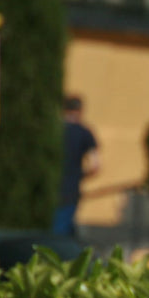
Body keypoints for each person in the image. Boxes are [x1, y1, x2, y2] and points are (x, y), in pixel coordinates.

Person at [54, 94, 100, 236]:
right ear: (80, 111)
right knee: (61, 232)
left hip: (51, 189)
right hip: (71, 191)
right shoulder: (84, 133)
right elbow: (95, 166)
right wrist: (79, 176)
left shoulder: (53, 131)